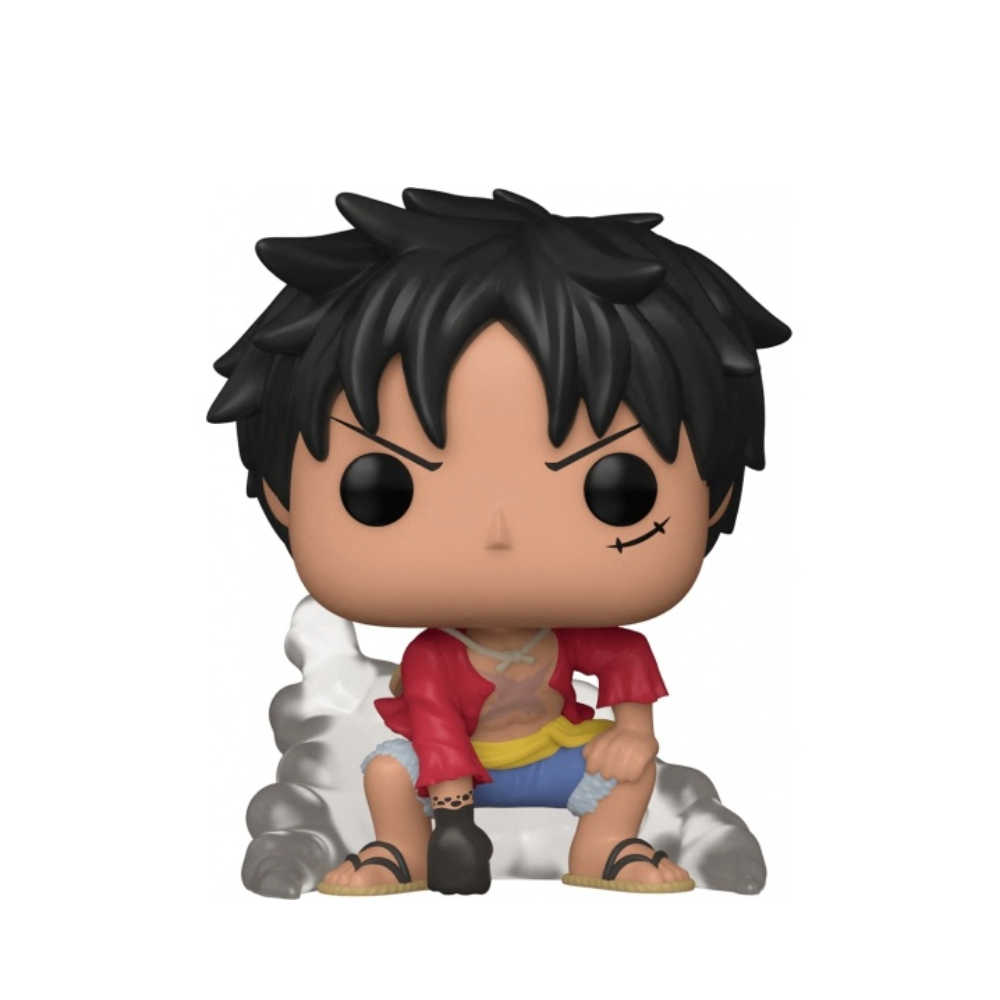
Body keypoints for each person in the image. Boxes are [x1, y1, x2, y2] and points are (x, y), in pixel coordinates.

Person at [209, 188, 790, 895]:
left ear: (714, 496)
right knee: (388, 770)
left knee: (629, 771)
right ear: (283, 497)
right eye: (382, 489)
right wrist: (453, 819)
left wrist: (634, 732)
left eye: (616, 488)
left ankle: (605, 847)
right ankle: (401, 850)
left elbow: (624, 658)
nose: (499, 535)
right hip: (447, 776)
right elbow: (434, 725)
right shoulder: (434, 657)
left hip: (554, 758)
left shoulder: (570, 638)